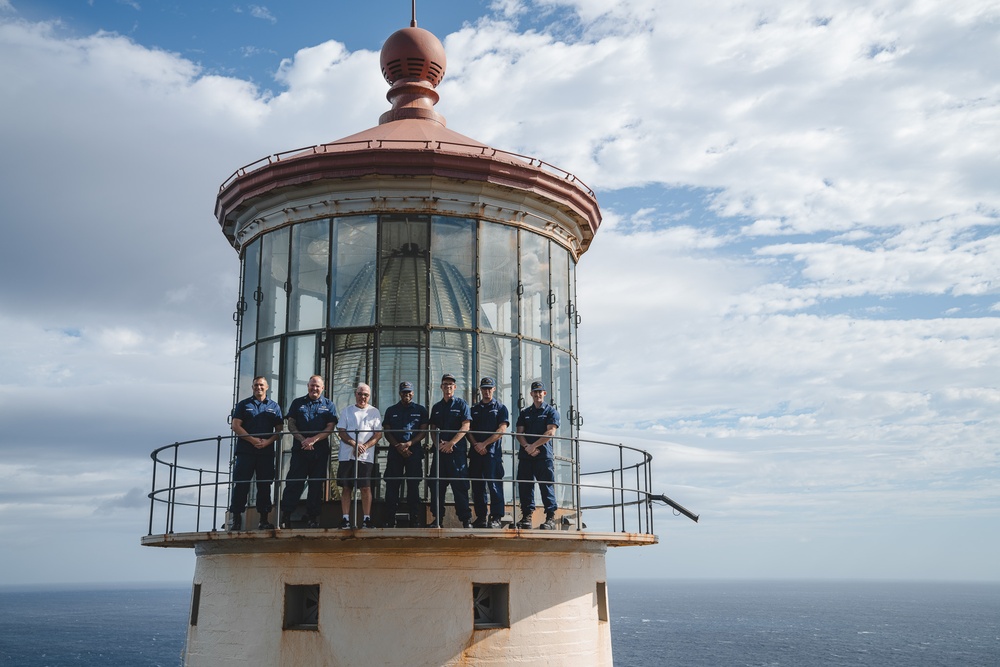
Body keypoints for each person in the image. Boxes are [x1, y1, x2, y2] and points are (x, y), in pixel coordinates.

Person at [279, 375, 338, 529]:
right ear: (308, 386)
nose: (314, 388)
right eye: (312, 385)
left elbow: (330, 428)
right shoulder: (298, 403)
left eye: (317, 386)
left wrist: (313, 440)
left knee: (316, 485)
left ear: (322, 388)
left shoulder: (329, 405)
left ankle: (313, 517)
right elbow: (291, 424)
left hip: (319, 452)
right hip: (300, 450)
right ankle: (286, 516)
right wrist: (303, 440)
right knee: (293, 483)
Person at [227, 376, 284, 532]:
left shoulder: (274, 406)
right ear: (252, 387)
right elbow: (236, 426)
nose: (258, 387)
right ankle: (236, 518)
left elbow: (279, 430)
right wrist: (252, 440)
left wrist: (268, 442)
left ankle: (264, 520)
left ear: (267, 387)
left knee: (264, 485)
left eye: (261, 385)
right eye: (255, 385)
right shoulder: (243, 405)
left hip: (265, 452)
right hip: (246, 451)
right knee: (241, 484)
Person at [382, 381, 429, 527]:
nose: (406, 394)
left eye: (409, 392)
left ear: (413, 393)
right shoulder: (391, 410)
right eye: (404, 392)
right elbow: (387, 431)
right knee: (392, 485)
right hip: (395, 452)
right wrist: (398, 446)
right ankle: (390, 519)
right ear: (400, 393)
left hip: (413, 452)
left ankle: (414, 518)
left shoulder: (421, 410)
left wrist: (408, 444)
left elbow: (423, 431)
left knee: (413, 486)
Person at [428, 373, 472, 528]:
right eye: (445, 384)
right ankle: (437, 518)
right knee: (436, 486)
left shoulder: (461, 404)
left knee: (460, 487)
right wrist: (438, 444)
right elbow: (432, 428)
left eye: (450, 385)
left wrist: (451, 443)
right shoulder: (437, 407)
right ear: (441, 387)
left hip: (456, 454)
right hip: (440, 455)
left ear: (455, 387)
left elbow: (466, 426)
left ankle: (466, 520)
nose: (448, 387)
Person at [515, 380, 561, 530]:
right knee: (525, 486)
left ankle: (550, 518)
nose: (537, 394)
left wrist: (533, 446)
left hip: (543, 456)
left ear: (544, 393)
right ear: (531, 394)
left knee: (546, 486)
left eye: (540, 392)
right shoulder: (525, 413)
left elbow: (550, 432)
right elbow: (519, 432)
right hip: (526, 455)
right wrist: (527, 447)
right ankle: (526, 517)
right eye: (535, 392)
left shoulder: (550, 411)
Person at [336, 383, 383, 529]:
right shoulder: (347, 411)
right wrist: (354, 444)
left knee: (365, 487)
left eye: (366, 395)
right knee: (346, 487)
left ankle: (366, 519)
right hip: (347, 456)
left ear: (369, 396)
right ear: (355, 394)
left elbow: (378, 434)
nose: (363, 397)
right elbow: (341, 431)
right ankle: (345, 518)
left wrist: (364, 447)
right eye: (360, 394)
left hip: (365, 457)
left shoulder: (374, 412)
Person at [467, 377, 509, 528]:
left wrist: (484, 444)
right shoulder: (474, 409)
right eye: (484, 388)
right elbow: (468, 430)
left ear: (494, 389)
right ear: (480, 390)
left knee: (494, 485)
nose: (487, 391)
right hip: (476, 454)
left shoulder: (501, 408)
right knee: (478, 487)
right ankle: (481, 517)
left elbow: (502, 430)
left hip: (492, 454)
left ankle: (496, 517)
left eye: (489, 388)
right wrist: (476, 445)